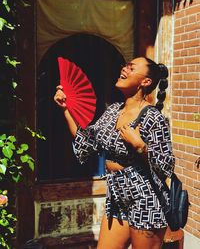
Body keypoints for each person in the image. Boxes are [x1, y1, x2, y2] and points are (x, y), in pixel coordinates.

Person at [54, 57, 175, 249]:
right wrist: (66, 110)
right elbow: (87, 142)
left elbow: (166, 165)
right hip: (118, 196)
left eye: (131, 67)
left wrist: (141, 146)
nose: (124, 69)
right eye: (125, 65)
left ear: (146, 82)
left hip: (145, 198)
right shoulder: (112, 111)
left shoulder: (153, 117)